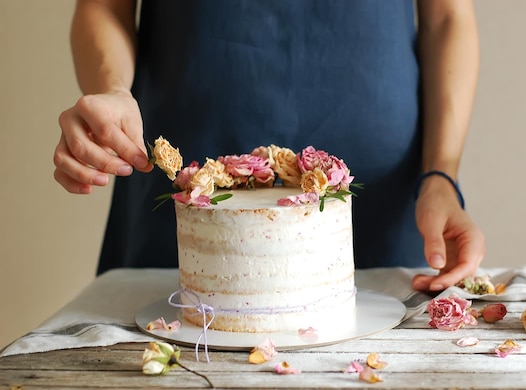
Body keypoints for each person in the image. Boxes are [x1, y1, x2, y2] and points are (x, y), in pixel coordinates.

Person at [54, 0, 485, 292]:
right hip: (184, 198)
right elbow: (102, 6)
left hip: (383, 205)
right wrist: (111, 91)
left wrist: (441, 174)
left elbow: (447, 17)